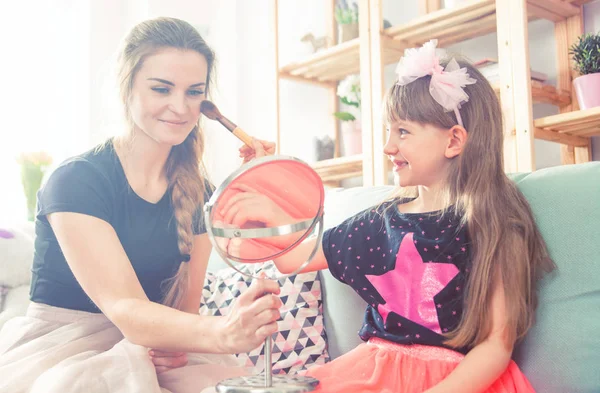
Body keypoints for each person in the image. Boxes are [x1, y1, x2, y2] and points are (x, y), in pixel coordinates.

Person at [220, 40, 555, 393]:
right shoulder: (379, 222)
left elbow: (496, 345)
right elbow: (291, 258)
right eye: (387, 131)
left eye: (403, 131)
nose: (387, 146)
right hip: (373, 374)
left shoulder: (494, 221)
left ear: (454, 141)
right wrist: (263, 179)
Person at [0, 17, 279, 393]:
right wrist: (221, 332)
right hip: (64, 347)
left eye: (194, 92)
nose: (179, 107)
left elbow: (183, 316)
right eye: (161, 89)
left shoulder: (201, 193)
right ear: (126, 86)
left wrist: (262, 182)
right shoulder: (76, 181)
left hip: (150, 344)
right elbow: (126, 308)